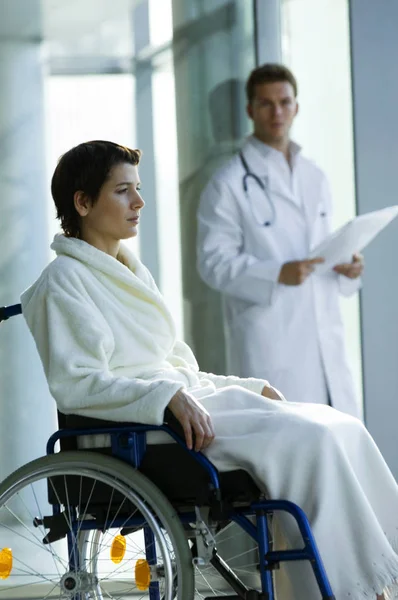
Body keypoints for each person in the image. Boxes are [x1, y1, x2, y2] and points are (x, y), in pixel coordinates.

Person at [21, 140, 398, 600]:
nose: (139, 202)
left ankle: (379, 576)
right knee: (311, 438)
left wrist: (248, 386)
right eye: (123, 191)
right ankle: (353, 588)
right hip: (139, 429)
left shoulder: (131, 271)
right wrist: (165, 398)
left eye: (137, 189)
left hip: (180, 409)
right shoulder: (62, 282)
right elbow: (77, 385)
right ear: (82, 202)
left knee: (339, 424)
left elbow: (178, 365)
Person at [196, 64, 363, 417]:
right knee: (285, 448)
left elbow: (321, 248)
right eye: (266, 104)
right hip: (272, 343)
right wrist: (275, 273)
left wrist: (347, 265)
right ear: (250, 110)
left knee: (335, 445)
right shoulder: (227, 183)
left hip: (323, 336)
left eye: (285, 102)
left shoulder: (314, 175)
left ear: (296, 107)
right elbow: (212, 264)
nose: (277, 113)